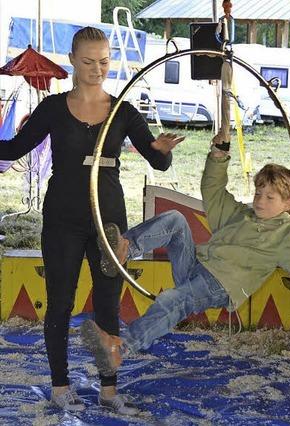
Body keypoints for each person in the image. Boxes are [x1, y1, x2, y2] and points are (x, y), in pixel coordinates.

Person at [79, 139, 290, 388]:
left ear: (288, 203)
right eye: (259, 193)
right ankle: (124, 249)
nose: (260, 200)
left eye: (270, 197)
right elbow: (214, 193)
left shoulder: (287, 237)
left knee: (174, 300)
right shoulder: (243, 215)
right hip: (197, 268)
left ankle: (121, 347)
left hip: (220, 285)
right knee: (175, 220)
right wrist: (218, 158)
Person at [0, 27, 183, 413]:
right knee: (61, 303)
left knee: (107, 306)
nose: (97, 69)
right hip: (63, 219)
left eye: (104, 61)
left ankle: (109, 390)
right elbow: (14, 147)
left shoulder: (123, 112)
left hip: (109, 222)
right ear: (72, 60)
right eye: (88, 62)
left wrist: (163, 151)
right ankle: (60, 386)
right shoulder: (52, 108)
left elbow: (159, 161)